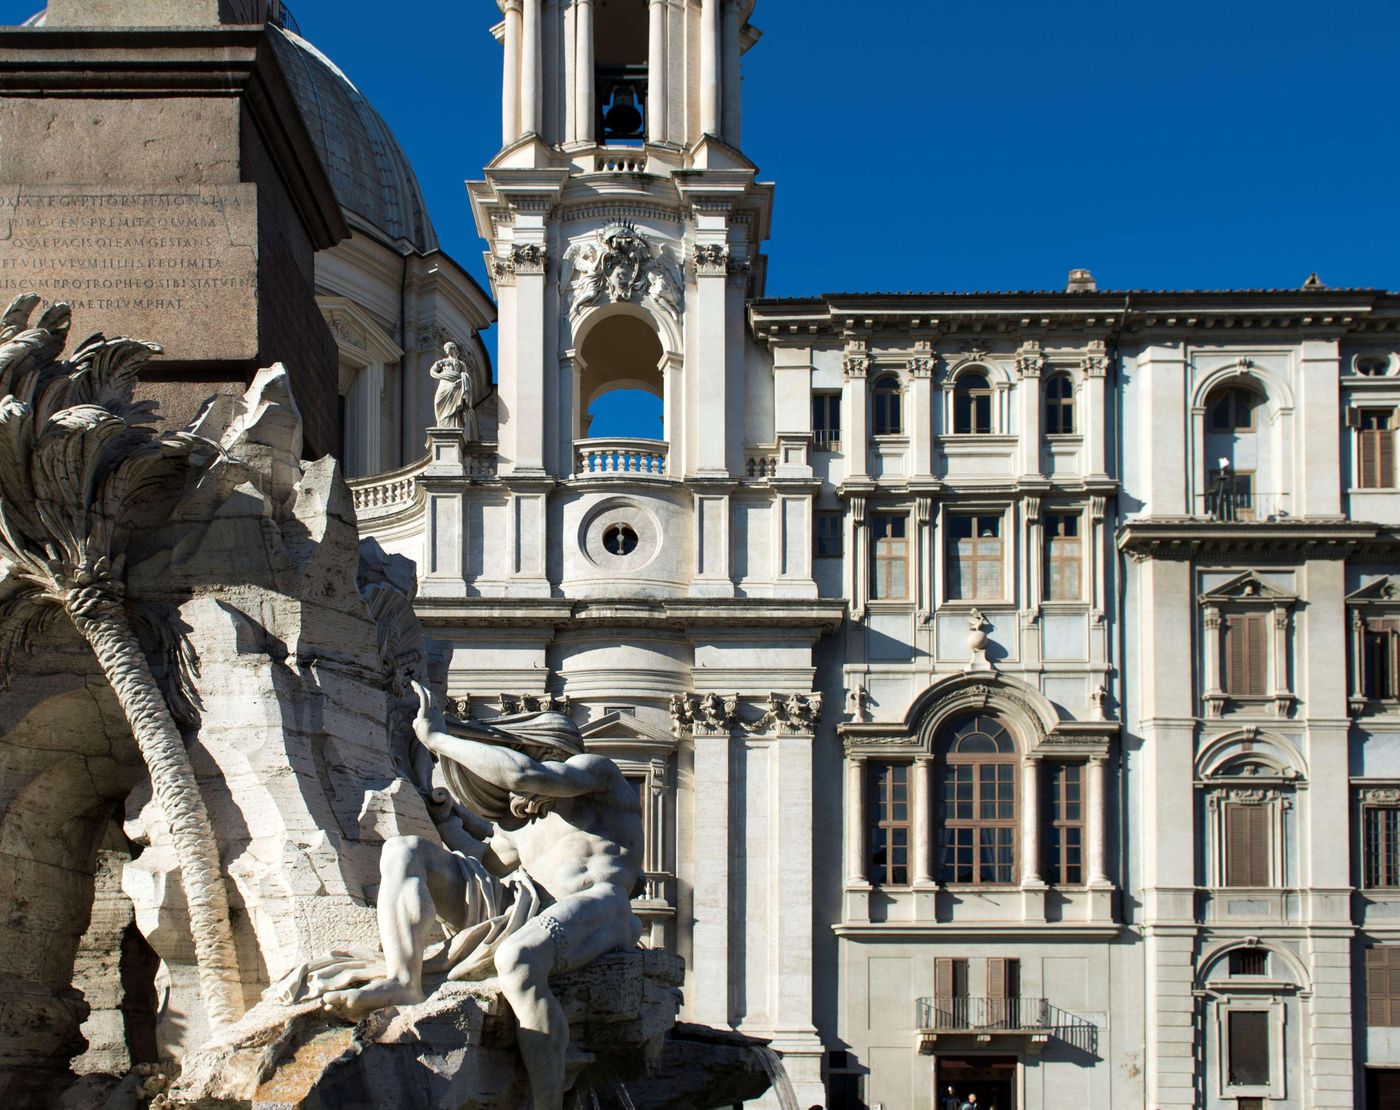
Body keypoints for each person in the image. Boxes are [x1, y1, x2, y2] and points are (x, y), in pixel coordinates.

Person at [285, 682, 644, 1110]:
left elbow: (525, 776)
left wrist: (439, 739)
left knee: (517, 958)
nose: (504, 788)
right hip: (526, 903)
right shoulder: (522, 825)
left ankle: (547, 1103)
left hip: (601, 905)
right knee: (405, 851)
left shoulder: (596, 773)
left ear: (540, 749)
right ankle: (404, 979)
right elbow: (485, 859)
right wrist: (442, 813)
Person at [429, 340, 479, 440]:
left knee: (455, 408)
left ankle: (452, 426)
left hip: (456, 386)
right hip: (444, 385)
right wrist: (442, 375)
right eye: (445, 348)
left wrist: (461, 379)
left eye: (448, 347)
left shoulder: (461, 363)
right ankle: (442, 424)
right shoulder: (442, 362)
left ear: (454, 349)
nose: (446, 350)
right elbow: (432, 371)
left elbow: (465, 375)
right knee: (438, 403)